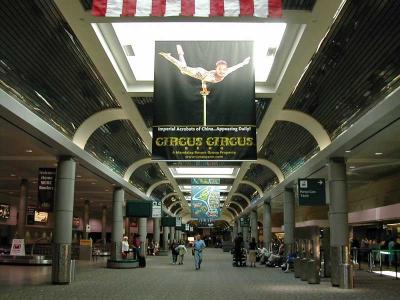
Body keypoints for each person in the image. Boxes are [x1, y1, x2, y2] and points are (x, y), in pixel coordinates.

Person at [159, 44, 250, 95]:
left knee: (183, 71)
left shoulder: (226, 72)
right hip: (200, 73)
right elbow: (204, 78)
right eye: (219, 69)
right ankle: (167, 56)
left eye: (223, 69)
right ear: (216, 68)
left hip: (201, 76)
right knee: (183, 68)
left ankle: (180, 53)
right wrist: (204, 88)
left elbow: (236, 67)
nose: (222, 71)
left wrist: (244, 63)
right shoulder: (212, 75)